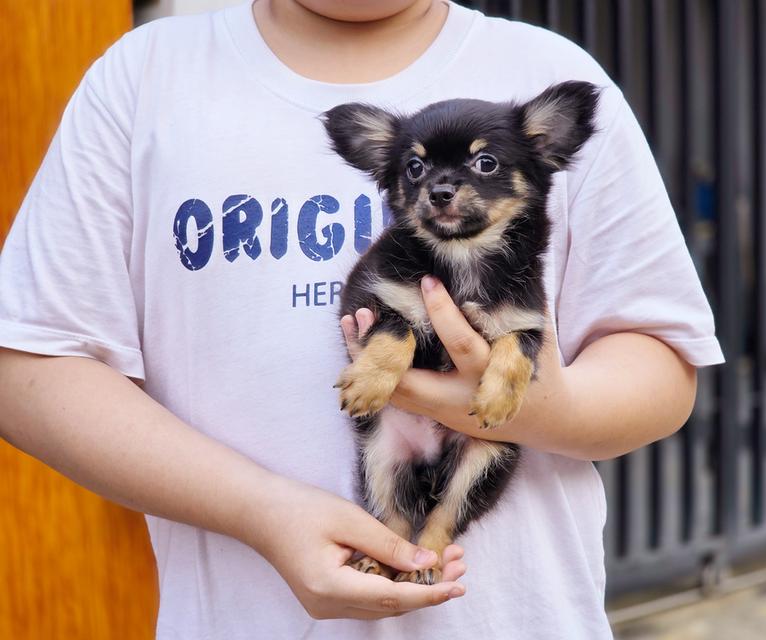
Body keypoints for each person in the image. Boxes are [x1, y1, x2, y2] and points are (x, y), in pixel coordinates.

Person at [0, 0, 724, 638]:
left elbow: (663, 361)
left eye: (474, 169)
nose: (442, 188)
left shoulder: (543, 65)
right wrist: (261, 511)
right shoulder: (143, 81)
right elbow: (27, 367)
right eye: (416, 172)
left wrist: (541, 405)